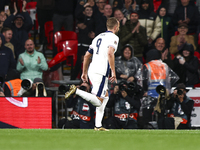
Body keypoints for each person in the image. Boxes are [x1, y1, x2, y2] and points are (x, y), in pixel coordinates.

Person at [64, 17, 120, 131]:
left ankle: (98, 125)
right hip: (101, 71)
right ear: (116, 27)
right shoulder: (114, 37)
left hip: (92, 69)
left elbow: (86, 55)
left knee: (105, 97)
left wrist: (84, 72)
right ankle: (77, 91)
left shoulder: (97, 37)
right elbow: (110, 53)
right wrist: (113, 71)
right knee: (98, 101)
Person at [72, 5, 95, 80]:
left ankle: (88, 80)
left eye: (90, 10)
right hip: (82, 44)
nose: (89, 12)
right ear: (84, 12)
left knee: (91, 63)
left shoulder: (94, 20)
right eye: (87, 10)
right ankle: (73, 79)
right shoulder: (81, 20)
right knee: (79, 62)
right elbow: (77, 14)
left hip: (90, 45)